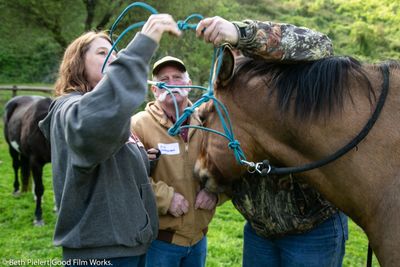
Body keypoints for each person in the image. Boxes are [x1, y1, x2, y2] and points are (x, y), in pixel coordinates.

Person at [195, 17, 348, 267]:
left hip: (312, 230)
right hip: (259, 232)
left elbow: (321, 45)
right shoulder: (221, 90)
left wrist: (240, 32)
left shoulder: (278, 71)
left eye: (233, 45)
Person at [38, 14, 182, 267]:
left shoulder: (107, 113)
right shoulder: (68, 107)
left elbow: (102, 159)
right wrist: (142, 46)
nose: (113, 58)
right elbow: (92, 123)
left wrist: (138, 158)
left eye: (114, 53)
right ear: (77, 64)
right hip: (101, 253)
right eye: (102, 52)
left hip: (128, 245)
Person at [131, 55, 224, 267]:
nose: (171, 83)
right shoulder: (137, 125)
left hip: (199, 240)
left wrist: (214, 191)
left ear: (189, 85)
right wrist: (165, 198)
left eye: (177, 77)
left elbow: (227, 165)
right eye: (164, 79)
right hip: (160, 243)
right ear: (154, 90)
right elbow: (125, 178)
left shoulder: (208, 123)